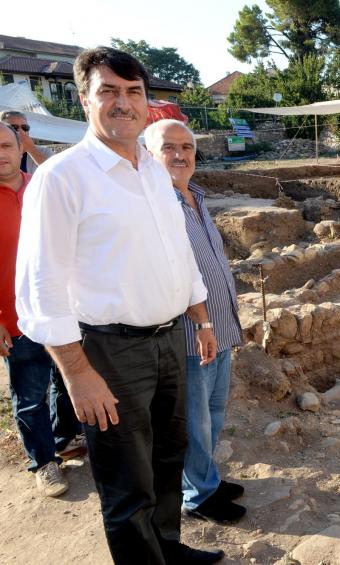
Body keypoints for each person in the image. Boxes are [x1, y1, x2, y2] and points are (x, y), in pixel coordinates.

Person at [16, 47, 224, 565]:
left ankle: (168, 548)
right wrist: (78, 374)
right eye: (108, 91)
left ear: (146, 102)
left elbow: (178, 250)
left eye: (133, 92)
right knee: (126, 479)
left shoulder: (153, 172)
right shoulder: (62, 178)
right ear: (85, 99)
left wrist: (199, 315)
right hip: (109, 351)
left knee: (166, 457)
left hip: (169, 340)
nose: (123, 103)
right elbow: (41, 287)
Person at [144, 119, 245, 524]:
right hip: (190, 337)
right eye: (168, 147)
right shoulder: (154, 206)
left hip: (219, 329)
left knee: (214, 414)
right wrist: (203, 326)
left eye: (186, 147)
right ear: (148, 155)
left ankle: (205, 479)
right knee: (195, 422)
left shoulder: (196, 198)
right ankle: (197, 496)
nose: (180, 155)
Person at [0, 122, 82, 497]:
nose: (1, 153)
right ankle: (44, 463)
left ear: (22, 148)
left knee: (66, 382)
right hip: (15, 319)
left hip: (63, 309)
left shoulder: (43, 187)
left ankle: (65, 439)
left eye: (6, 144)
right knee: (30, 393)